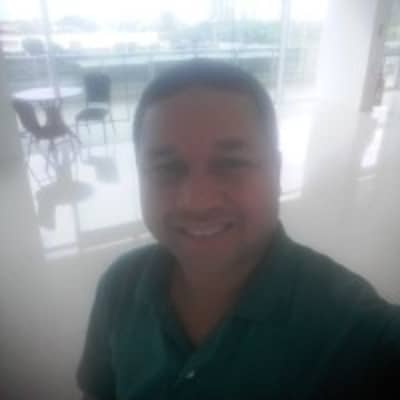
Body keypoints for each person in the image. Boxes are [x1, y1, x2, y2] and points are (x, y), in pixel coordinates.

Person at [77, 59, 400, 400]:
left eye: (231, 163)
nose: (197, 202)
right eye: (167, 168)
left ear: (276, 172)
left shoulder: (355, 327)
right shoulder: (121, 285)